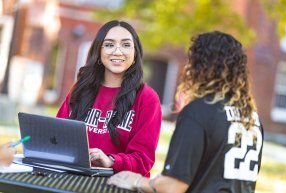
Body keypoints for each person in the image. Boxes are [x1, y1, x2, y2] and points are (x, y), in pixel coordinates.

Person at [107, 31, 264, 193]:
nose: (187, 67)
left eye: (192, 60)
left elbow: (174, 186)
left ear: (201, 67)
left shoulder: (199, 111)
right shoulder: (251, 117)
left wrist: (137, 181)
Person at [56, 20, 162, 177]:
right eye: (109, 44)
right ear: (99, 51)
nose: (117, 51)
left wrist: (111, 160)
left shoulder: (147, 98)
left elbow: (143, 160)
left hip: (117, 184)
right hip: (74, 180)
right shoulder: (80, 90)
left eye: (126, 45)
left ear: (135, 54)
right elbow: (56, 137)